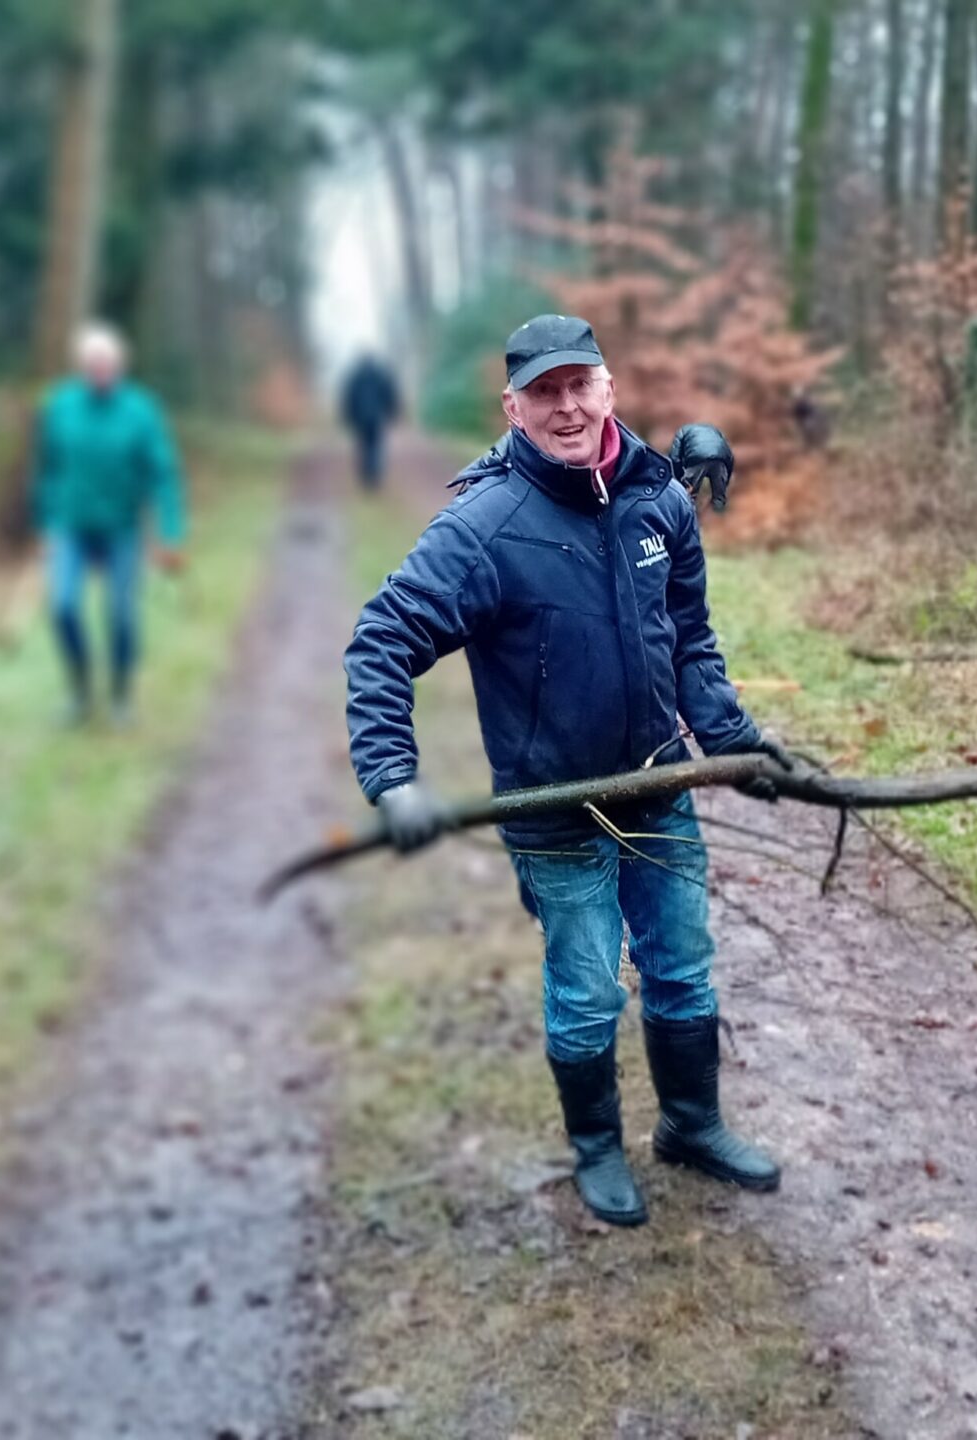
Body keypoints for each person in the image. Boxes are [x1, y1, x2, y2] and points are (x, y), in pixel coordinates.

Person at [342, 314, 790, 1228]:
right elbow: (380, 643)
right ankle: (596, 1149)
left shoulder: (659, 499)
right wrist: (393, 779)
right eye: (543, 393)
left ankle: (692, 1125)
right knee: (587, 989)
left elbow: (690, 641)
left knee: (683, 969)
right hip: (557, 814)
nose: (567, 406)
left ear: (610, 388)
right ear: (513, 407)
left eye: (580, 384)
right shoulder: (484, 525)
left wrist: (736, 742)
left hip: (658, 789)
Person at [33, 323, 186, 727]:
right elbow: (48, 470)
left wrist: (170, 531)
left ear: (119, 365)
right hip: (71, 526)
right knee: (62, 605)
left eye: (107, 361)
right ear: (81, 366)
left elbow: (163, 474)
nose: (100, 368)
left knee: (120, 612)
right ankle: (80, 691)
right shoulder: (60, 406)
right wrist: (46, 524)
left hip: (122, 528)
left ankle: (120, 694)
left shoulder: (141, 410)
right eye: (92, 362)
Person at [340, 354, 401, 492]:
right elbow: (389, 394)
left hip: (360, 418)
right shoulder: (380, 375)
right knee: (375, 447)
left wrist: (348, 416)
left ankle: (366, 476)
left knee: (363, 446)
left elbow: (349, 397)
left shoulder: (356, 376)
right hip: (376, 417)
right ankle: (374, 475)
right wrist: (392, 412)